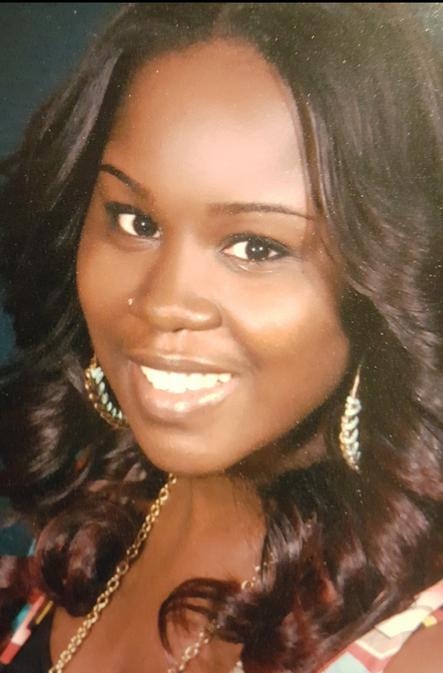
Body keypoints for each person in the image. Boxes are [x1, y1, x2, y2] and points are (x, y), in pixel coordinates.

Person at [0, 3, 442, 672]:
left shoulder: (416, 651)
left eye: (256, 247)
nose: (162, 304)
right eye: (135, 221)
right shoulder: (92, 517)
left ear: (383, 282)